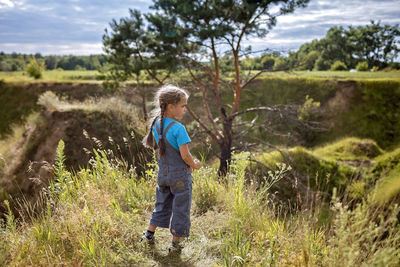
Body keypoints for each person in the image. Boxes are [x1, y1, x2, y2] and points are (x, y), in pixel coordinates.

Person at [141, 84, 201, 253]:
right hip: (180, 177)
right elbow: (185, 155)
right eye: (182, 106)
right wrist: (194, 164)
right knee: (181, 208)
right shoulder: (179, 129)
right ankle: (175, 244)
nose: (184, 110)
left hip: (163, 174)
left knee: (161, 204)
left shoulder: (156, 124)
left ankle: (149, 235)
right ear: (170, 106)